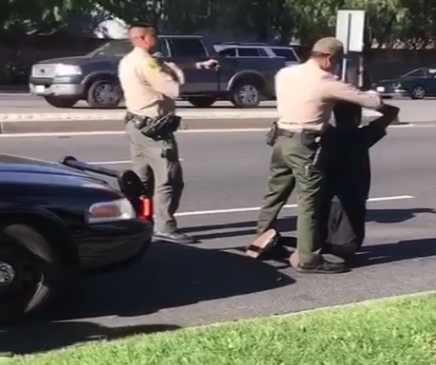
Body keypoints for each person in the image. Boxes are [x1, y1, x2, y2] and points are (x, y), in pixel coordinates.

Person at [246, 37, 385, 274]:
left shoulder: (285, 73)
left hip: (280, 138)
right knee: (309, 201)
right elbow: (373, 102)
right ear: (330, 59)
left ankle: (261, 239)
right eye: (337, 61)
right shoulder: (327, 82)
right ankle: (309, 257)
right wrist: (371, 92)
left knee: (274, 195)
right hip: (305, 145)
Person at [118, 23, 218, 244]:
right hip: (154, 129)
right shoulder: (148, 63)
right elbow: (173, 88)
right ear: (143, 39)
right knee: (170, 179)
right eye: (155, 35)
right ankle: (165, 226)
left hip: (135, 124)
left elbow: (161, 69)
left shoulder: (128, 60)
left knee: (142, 179)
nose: (158, 38)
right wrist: (176, 72)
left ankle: (140, 220)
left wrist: (197, 65)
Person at [321, 101, 399, 263]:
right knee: (351, 217)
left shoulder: (327, 134)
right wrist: (369, 101)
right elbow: (392, 112)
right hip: (356, 189)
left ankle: (325, 243)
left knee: (328, 212)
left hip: (328, 187)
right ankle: (345, 248)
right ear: (357, 117)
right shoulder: (363, 136)